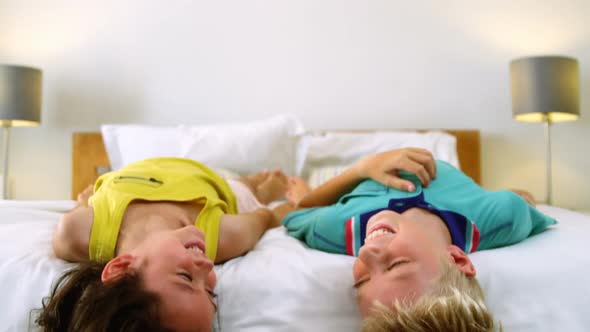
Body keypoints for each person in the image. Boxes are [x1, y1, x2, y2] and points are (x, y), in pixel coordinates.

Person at [281, 148, 556, 331]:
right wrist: (517, 197)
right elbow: (520, 206)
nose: (365, 255)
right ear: (458, 258)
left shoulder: (334, 229)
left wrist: (363, 168)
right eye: (397, 264)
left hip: (362, 176)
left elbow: (300, 211)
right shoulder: (505, 218)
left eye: (361, 280)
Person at [36, 157, 292, 332]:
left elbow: (83, 205)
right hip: (211, 180)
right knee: (244, 191)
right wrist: (281, 207)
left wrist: (85, 201)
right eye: (209, 293)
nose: (206, 268)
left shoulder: (74, 234)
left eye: (185, 276)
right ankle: (260, 188)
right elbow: (265, 217)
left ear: (120, 267)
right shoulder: (222, 235)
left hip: (136, 170)